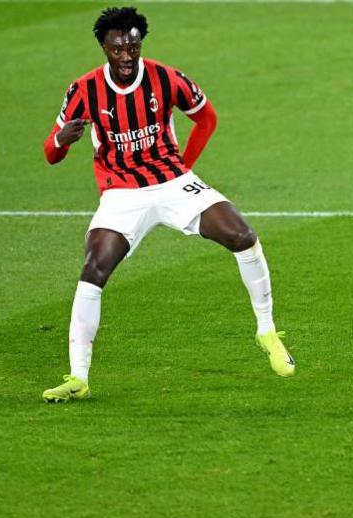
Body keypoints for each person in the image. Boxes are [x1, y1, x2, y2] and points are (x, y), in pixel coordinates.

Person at [41, 7, 295, 403]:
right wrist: (61, 141)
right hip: (122, 193)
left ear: (140, 44)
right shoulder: (84, 90)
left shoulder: (167, 78)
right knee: (95, 268)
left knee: (242, 236)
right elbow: (50, 153)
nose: (126, 57)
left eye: (133, 47)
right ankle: (78, 377)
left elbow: (206, 119)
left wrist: (183, 170)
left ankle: (266, 331)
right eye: (117, 49)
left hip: (174, 182)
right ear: (104, 49)